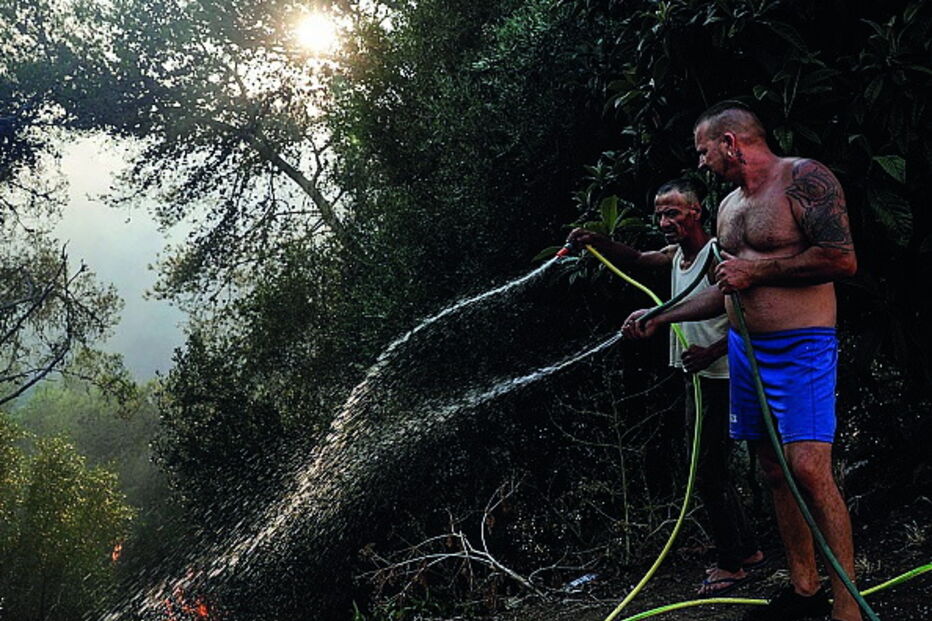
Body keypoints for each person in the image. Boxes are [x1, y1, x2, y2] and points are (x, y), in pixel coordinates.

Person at [623, 101, 861, 621]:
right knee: (773, 470)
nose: (701, 162)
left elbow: (841, 259)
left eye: (703, 151)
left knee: (808, 469)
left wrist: (759, 273)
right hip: (746, 352)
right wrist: (660, 315)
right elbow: (725, 288)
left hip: (801, 349)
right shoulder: (728, 207)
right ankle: (805, 591)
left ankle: (849, 609)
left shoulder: (805, 178)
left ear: (730, 143)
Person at [566, 178, 763, 597]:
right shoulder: (676, 256)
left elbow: (748, 312)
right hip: (699, 379)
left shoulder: (715, 255)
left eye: (672, 213)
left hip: (723, 376)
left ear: (696, 211)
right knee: (711, 468)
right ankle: (747, 551)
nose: (664, 222)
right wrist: (597, 242)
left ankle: (731, 565)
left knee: (707, 471)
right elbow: (639, 258)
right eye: (659, 215)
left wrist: (712, 351)